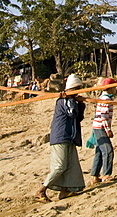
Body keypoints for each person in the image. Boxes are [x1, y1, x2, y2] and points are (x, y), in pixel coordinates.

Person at [34, 74, 86, 202]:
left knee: (70, 164)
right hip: (61, 136)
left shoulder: (71, 100)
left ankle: (65, 191)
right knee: (60, 166)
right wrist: (73, 101)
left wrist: (81, 103)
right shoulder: (63, 101)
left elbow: (79, 117)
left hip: (70, 137)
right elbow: (72, 113)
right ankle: (41, 191)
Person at [89, 77, 117, 185]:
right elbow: (104, 116)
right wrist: (108, 130)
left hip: (98, 126)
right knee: (108, 150)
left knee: (99, 152)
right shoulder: (106, 99)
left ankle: (94, 175)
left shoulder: (103, 97)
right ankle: (106, 174)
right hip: (101, 127)